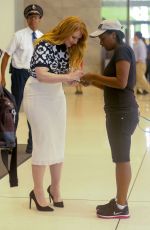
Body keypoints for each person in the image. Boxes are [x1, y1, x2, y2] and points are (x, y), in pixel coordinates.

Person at [23, 16, 88, 211]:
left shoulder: (67, 49)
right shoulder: (44, 44)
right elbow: (41, 74)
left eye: (78, 39)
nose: (75, 42)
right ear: (66, 30)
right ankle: (38, 190)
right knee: (43, 141)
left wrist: (71, 80)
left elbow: (59, 76)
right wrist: (68, 76)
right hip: (37, 94)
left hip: (56, 95)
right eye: (74, 37)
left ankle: (56, 188)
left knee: (58, 141)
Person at [81, 19, 139, 219]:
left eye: (102, 37)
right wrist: (93, 83)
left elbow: (121, 82)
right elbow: (113, 85)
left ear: (113, 34)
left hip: (122, 113)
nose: (100, 41)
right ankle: (120, 199)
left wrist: (93, 75)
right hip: (119, 112)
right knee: (120, 158)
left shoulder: (122, 51)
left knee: (122, 159)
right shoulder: (121, 51)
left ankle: (121, 207)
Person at [0, 4, 43, 153]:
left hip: (35, 75)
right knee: (14, 109)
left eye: (36, 17)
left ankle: (32, 144)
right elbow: (6, 56)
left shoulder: (42, 37)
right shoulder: (18, 35)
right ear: (27, 19)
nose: (33, 20)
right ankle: (10, 142)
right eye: (30, 17)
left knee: (34, 110)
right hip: (20, 74)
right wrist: (2, 76)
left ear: (40, 20)